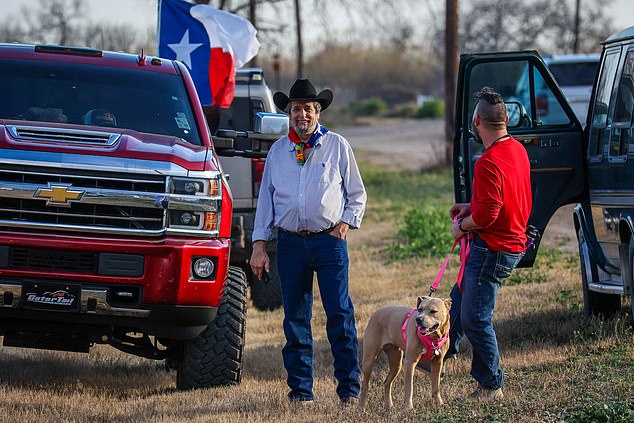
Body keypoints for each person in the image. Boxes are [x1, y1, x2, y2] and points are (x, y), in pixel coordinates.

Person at [249, 78, 367, 405]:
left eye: (308, 109)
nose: (302, 115)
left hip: (329, 242)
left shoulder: (337, 145)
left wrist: (343, 226)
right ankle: (301, 392)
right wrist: (260, 246)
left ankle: (349, 391)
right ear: (288, 113)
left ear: (318, 112)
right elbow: (266, 204)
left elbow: (357, 195)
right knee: (296, 319)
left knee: (339, 316)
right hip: (290, 244)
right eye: (296, 109)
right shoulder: (278, 151)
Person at [447, 86, 532, 401]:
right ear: (506, 119)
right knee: (458, 300)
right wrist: (472, 206)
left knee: (475, 318)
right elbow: (500, 200)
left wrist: (461, 226)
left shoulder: (487, 162)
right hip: (512, 243)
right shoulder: (517, 150)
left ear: (476, 123)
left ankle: (491, 383)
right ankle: (438, 354)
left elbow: (489, 215)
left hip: (493, 249)